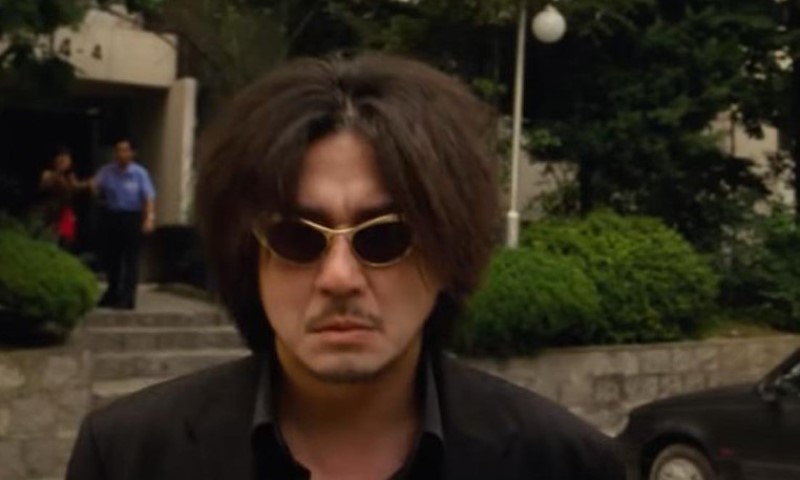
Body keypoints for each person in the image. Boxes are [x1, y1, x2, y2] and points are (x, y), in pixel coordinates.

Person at [66, 53, 623, 479]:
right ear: (248, 256)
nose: (339, 277)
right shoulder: (128, 457)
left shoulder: (565, 464)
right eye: (295, 237)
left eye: (386, 237)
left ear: (448, 253)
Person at [92, 138, 156, 310]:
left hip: (132, 216)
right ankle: (112, 292)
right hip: (113, 215)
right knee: (112, 257)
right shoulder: (107, 171)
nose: (121, 154)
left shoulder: (140, 173)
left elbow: (148, 197)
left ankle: (127, 298)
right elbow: (95, 186)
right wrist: (93, 188)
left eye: (125, 150)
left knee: (130, 259)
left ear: (133, 153)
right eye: (118, 150)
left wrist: (149, 218)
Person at [37, 147, 88, 246]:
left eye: (67, 159)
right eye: (62, 159)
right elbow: (43, 186)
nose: (65, 161)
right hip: (51, 212)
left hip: (66, 212)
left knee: (67, 241)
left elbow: (77, 187)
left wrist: (88, 184)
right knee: (50, 239)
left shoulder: (70, 177)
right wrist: (55, 176)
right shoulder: (48, 174)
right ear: (55, 160)